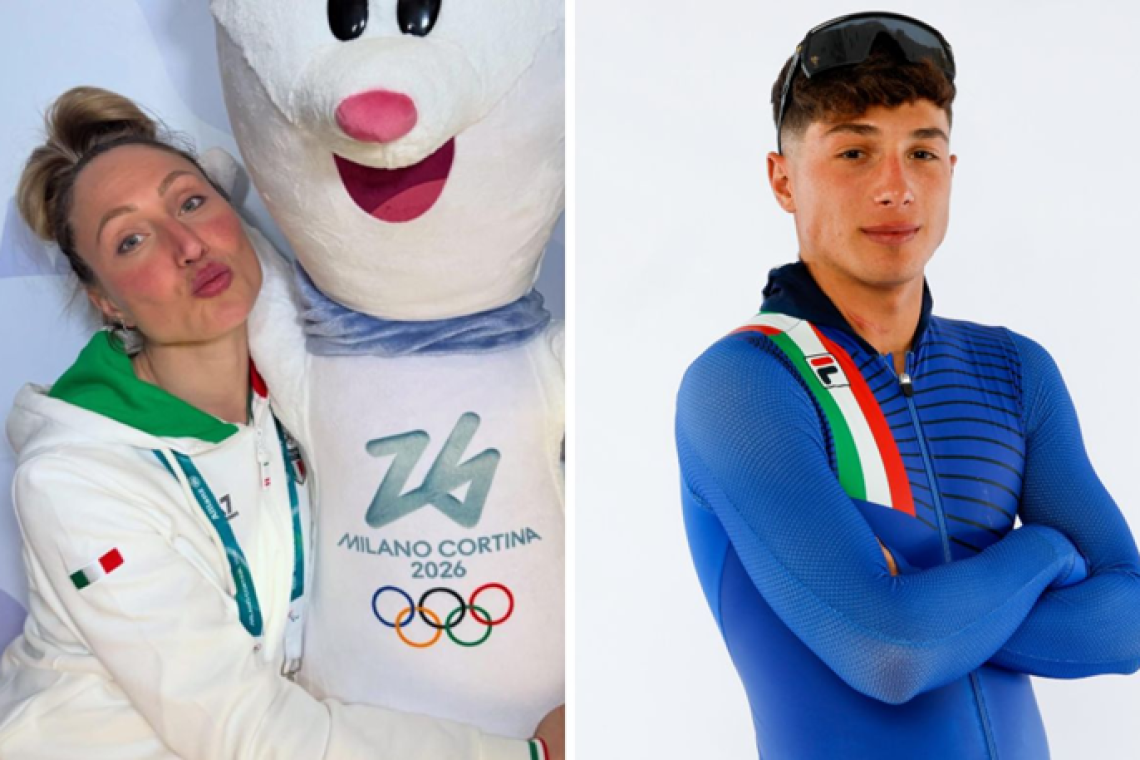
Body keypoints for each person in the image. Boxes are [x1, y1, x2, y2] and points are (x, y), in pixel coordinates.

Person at [0, 86, 561, 760]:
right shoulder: (74, 479)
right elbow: (246, 730)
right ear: (106, 300)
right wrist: (530, 756)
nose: (185, 245)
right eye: (131, 239)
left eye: (191, 201)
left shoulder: (287, 406)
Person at [675, 12, 1140, 760]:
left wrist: (925, 610)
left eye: (922, 151)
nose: (896, 188)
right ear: (782, 179)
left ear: (950, 171)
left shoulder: (1015, 372)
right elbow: (889, 656)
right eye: (855, 151)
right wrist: (1048, 552)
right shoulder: (746, 385)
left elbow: (1126, 624)